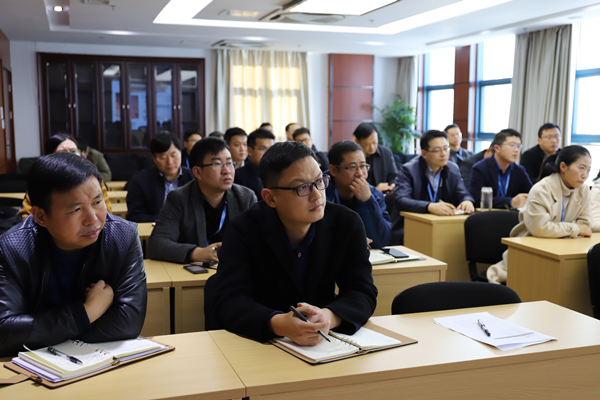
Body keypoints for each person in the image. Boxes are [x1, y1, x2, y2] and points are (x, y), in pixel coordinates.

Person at [213, 141, 377, 345]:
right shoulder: (243, 229)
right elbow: (228, 300)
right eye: (302, 187)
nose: (317, 195)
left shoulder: (347, 223)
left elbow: (362, 291)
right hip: (260, 344)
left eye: (319, 181)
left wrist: (326, 317)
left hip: (323, 343)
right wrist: (279, 323)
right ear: (270, 198)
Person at [0, 153, 147, 357]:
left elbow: (128, 323)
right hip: (37, 368)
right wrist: (87, 312)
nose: (93, 219)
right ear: (41, 216)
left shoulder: (122, 237)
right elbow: (4, 332)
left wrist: (40, 334)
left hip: (99, 363)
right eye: (76, 209)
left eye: (97, 202)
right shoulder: (12, 248)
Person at [486, 146, 592, 284]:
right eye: (582, 168)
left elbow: (586, 224)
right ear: (563, 167)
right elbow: (540, 228)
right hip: (531, 249)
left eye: (588, 170)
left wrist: (563, 229)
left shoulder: (584, 190)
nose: (585, 175)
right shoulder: (541, 190)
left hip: (562, 247)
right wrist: (575, 229)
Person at [148, 137, 256, 264]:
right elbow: (157, 244)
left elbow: (258, 240)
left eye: (229, 163)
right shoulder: (179, 198)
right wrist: (197, 253)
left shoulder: (245, 197)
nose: (226, 171)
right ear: (198, 172)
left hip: (235, 269)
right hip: (193, 273)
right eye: (217, 164)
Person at [391, 130, 475, 244]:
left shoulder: (452, 168)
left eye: (446, 148)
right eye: (437, 150)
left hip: (442, 227)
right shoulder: (409, 170)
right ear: (424, 153)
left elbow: (463, 193)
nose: (443, 154)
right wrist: (429, 206)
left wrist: (467, 201)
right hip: (412, 228)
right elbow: (401, 200)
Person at [18, 133, 113, 218]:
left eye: (73, 151)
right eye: (63, 152)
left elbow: (107, 213)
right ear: (51, 157)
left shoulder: (93, 180)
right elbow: (27, 215)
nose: (70, 156)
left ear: (80, 154)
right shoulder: (41, 183)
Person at [326, 140, 391, 248]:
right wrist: (351, 241)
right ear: (333, 170)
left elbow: (383, 241)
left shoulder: (375, 195)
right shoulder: (319, 195)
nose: (360, 174)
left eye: (363, 166)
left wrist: (368, 201)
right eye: (352, 167)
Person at [126, 132, 194, 222]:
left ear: (180, 153)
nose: (170, 162)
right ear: (154, 158)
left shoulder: (194, 178)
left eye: (173, 155)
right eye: (163, 157)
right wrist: (167, 220)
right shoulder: (140, 181)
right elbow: (134, 216)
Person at [469, 129, 532, 209]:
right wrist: (510, 202)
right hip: (488, 214)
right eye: (512, 145)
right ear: (497, 148)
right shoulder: (480, 169)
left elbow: (531, 193)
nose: (516, 150)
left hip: (511, 215)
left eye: (519, 146)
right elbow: (477, 198)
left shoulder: (519, 170)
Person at [352, 122, 397, 193]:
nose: (372, 147)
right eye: (367, 144)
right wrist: (376, 190)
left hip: (384, 195)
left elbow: (393, 176)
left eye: (374, 142)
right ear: (357, 141)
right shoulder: (352, 157)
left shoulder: (386, 153)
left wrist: (392, 185)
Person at [234, 128, 275, 199]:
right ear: (249, 151)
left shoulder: (278, 173)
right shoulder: (238, 176)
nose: (268, 153)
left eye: (271, 149)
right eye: (263, 149)